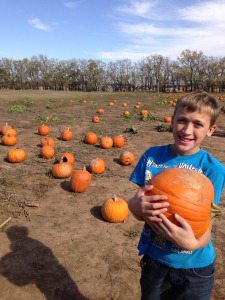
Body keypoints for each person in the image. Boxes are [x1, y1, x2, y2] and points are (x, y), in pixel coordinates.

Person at [128, 91, 225, 300]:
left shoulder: (213, 170)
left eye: (198, 124)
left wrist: (193, 244)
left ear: (211, 130)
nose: (187, 130)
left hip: (195, 269)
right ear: (172, 122)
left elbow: (207, 223)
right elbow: (140, 207)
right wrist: (133, 207)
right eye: (181, 120)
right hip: (154, 261)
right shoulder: (151, 157)